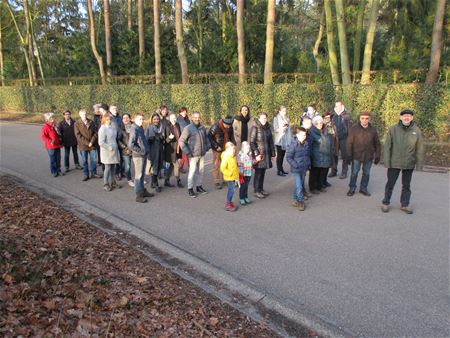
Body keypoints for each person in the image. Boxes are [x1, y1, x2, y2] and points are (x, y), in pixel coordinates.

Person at [381, 109, 424, 214]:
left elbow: (420, 148)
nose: (407, 117)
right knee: (390, 184)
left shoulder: (416, 131)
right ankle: (386, 203)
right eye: (404, 116)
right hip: (394, 162)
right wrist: (387, 161)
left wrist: (419, 165)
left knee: (406, 185)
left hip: (409, 163)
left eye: (409, 116)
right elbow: (387, 147)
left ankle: (404, 205)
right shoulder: (393, 129)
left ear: (412, 118)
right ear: (400, 117)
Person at [346, 112, 381, 197]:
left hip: (368, 156)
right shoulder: (354, 129)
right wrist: (348, 155)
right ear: (359, 119)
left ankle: (363, 188)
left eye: (366, 118)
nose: (364, 120)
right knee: (354, 173)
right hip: (356, 155)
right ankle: (352, 188)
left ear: (369, 119)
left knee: (366, 173)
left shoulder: (373, 130)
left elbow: (377, 144)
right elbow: (349, 143)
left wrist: (377, 156)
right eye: (363, 118)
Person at [179, 111, 211, 198]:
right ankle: (190, 189)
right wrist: (188, 152)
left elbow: (206, 138)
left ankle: (199, 186)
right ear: (192, 118)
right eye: (195, 117)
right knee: (192, 172)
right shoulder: (188, 128)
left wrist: (208, 147)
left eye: (198, 117)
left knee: (201, 171)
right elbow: (181, 141)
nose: (197, 119)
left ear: (200, 118)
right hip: (192, 155)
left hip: (202, 153)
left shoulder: (202, 127)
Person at [128, 113, 154, 203]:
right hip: (138, 156)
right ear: (135, 119)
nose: (142, 121)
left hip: (143, 155)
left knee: (142, 175)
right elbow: (131, 144)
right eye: (140, 119)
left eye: (142, 119)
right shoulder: (134, 128)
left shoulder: (140, 128)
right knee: (138, 176)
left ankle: (143, 191)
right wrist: (141, 151)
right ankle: (138, 195)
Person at [250, 112, 276, 199]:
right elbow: (252, 142)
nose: (264, 120)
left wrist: (273, 153)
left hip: (267, 153)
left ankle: (261, 189)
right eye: (262, 118)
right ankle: (256, 190)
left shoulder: (268, 127)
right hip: (259, 154)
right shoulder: (255, 128)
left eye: (265, 118)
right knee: (258, 172)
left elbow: (271, 141)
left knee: (263, 172)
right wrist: (256, 153)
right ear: (259, 119)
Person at [286, 126, 311, 211]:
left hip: (303, 168)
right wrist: (295, 165)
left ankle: (295, 200)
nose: (304, 137)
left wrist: (308, 165)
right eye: (302, 135)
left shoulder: (306, 144)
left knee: (299, 185)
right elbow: (288, 157)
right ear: (297, 135)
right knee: (299, 186)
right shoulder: (293, 145)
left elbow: (307, 156)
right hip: (296, 169)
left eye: (305, 135)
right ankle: (301, 201)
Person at [208, 115, 236, 189]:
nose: (228, 127)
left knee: (225, 164)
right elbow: (209, 137)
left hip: (226, 148)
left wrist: (233, 143)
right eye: (227, 125)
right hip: (217, 149)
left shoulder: (230, 126)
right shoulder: (215, 127)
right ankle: (217, 181)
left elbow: (231, 135)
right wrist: (216, 146)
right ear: (223, 123)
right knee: (216, 165)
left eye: (230, 126)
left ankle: (224, 179)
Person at [74, 109, 100, 181]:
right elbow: (78, 135)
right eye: (83, 114)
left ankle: (93, 173)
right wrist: (87, 143)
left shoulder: (91, 122)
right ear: (80, 115)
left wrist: (91, 141)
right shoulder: (77, 123)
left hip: (92, 145)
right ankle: (86, 174)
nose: (84, 115)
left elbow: (96, 132)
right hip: (83, 146)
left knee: (94, 160)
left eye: (85, 114)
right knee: (84, 161)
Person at [308, 116, 332, 194]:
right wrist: (310, 157)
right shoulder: (311, 132)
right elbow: (310, 145)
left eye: (321, 123)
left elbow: (331, 139)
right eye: (317, 123)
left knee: (322, 172)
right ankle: (312, 188)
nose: (320, 124)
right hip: (316, 156)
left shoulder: (325, 130)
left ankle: (320, 186)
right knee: (314, 173)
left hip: (325, 156)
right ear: (314, 124)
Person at [329, 101, 352, 179]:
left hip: (344, 138)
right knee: (334, 154)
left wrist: (349, 138)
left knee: (344, 156)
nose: (337, 107)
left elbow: (350, 128)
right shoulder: (333, 115)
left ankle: (344, 172)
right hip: (334, 138)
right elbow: (330, 126)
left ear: (342, 106)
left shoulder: (347, 115)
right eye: (336, 106)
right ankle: (334, 171)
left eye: (339, 106)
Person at [98, 114, 121, 191]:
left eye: (110, 119)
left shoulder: (112, 127)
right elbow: (101, 142)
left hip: (114, 151)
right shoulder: (102, 129)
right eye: (107, 119)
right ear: (104, 120)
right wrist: (109, 147)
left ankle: (113, 182)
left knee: (113, 168)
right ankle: (105, 184)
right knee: (107, 168)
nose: (109, 121)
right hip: (107, 152)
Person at [145, 112, 165, 193]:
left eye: (157, 119)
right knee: (154, 167)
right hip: (153, 150)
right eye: (154, 119)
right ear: (152, 120)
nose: (156, 120)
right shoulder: (150, 128)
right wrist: (153, 137)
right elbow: (148, 140)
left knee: (158, 166)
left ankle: (153, 183)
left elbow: (162, 138)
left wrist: (161, 137)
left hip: (159, 149)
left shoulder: (160, 127)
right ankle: (156, 184)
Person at [164, 112, 184, 188]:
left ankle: (166, 180)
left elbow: (180, 135)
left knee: (172, 166)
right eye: (172, 118)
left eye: (175, 118)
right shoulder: (167, 127)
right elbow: (166, 140)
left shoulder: (177, 125)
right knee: (177, 165)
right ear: (169, 119)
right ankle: (178, 180)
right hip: (171, 150)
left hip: (178, 148)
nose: (174, 120)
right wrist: (170, 138)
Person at [41, 112, 63, 177]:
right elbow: (43, 136)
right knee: (53, 160)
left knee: (58, 159)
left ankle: (59, 170)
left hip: (57, 145)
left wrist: (60, 141)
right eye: (51, 117)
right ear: (48, 119)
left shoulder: (55, 125)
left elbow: (59, 134)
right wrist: (50, 141)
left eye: (53, 117)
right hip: (51, 146)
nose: (53, 118)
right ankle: (54, 171)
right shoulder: (46, 126)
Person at [220, 142, 240, 212]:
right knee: (231, 190)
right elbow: (222, 168)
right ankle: (228, 204)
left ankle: (230, 201)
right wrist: (230, 173)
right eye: (231, 149)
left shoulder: (233, 156)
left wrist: (237, 175)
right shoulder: (226, 157)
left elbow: (234, 167)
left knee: (232, 190)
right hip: (229, 177)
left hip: (234, 176)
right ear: (227, 149)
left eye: (234, 149)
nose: (233, 151)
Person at [273, 105, 292, 176]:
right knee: (280, 155)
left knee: (283, 155)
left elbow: (289, 129)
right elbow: (275, 129)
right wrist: (283, 128)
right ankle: (279, 170)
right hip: (279, 139)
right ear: (279, 111)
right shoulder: (276, 118)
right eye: (283, 111)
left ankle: (282, 169)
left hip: (285, 139)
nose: (285, 112)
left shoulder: (286, 118)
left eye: (285, 111)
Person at [322, 112, 338, 187]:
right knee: (322, 167)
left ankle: (324, 181)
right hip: (323, 149)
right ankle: (321, 182)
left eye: (329, 118)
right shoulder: (320, 125)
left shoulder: (331, 126)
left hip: (330, 147)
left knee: (328, 165)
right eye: (326, 118)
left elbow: (333, 136)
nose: (327, 119)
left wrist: (331, 127)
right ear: (323, 118)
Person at [118, 113, 134, 187]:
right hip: (126, 150)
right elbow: (118, 140)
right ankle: (129, 180)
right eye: (124, 118)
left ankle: (139, 178)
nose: (126, 119)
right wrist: (124, 147)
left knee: (138, 165)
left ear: (130, 118)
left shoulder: (134, 126)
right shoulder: (120, 128)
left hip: (135, 149)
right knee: (127, 166)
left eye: (127, 117)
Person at [237, 141, 253, 206]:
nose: (248, 148)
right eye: (247, 147)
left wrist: (256, 160)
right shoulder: (240, 154)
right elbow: (239, 164)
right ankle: (241, 198)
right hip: (242, 174)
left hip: (249, 173)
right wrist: (241, 174)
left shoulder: (249, 154)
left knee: (246, 186)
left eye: (249, 147)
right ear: (243, 147)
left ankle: (246, 197)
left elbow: (252, 162)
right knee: (242, 186)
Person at [177, 107, 191, 172]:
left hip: (187, 138)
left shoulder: (187, 119)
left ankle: (180, 167)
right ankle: (190, 167)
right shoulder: (178, 120)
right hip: (181, 139)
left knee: (184, 154)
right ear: (180, 112)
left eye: (185, 111)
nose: (184, 112)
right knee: (185, 153)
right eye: (183, 111)